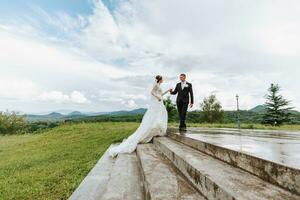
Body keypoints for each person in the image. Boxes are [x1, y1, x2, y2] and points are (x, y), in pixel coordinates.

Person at [109, 75, 171, 157]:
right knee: (153, 117)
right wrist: (157, 97)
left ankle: (156, 129)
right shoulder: (156, 85)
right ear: (160, 79)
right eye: (162, 79)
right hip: (156, 102)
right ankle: (147, 131)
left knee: (160, 115)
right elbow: (152, 92)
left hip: (159, 103)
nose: (163, 80)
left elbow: (161, 94)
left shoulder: (159, 86)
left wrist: (167, 91)